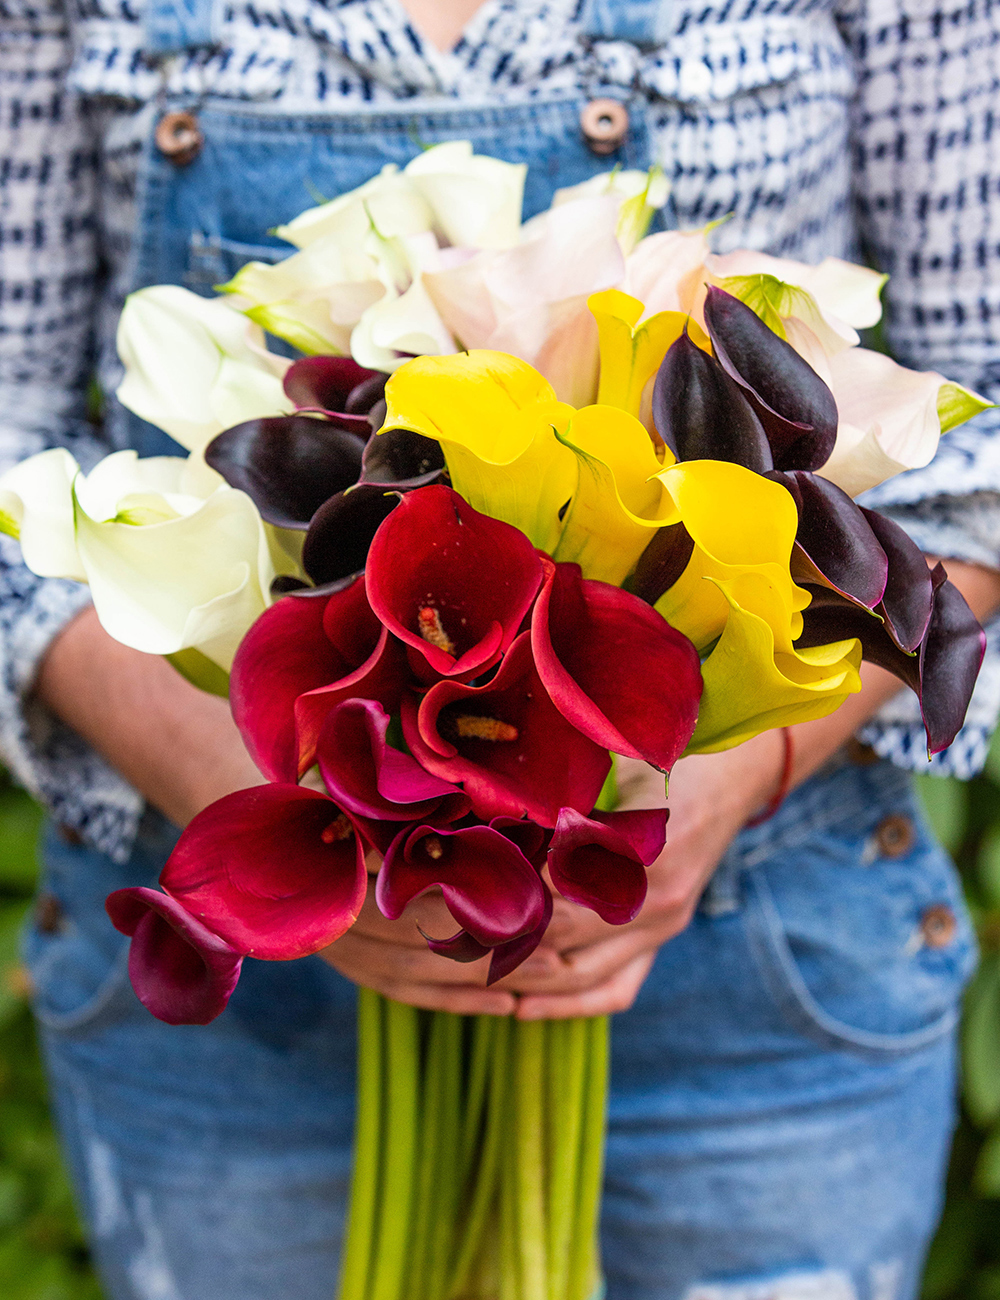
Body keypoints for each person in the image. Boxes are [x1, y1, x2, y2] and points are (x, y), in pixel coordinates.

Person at [3, 0, 1000, 1296]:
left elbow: (981, 449)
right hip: (237, 1028)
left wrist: (720, 779)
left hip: (772, 972)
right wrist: (258, 799)